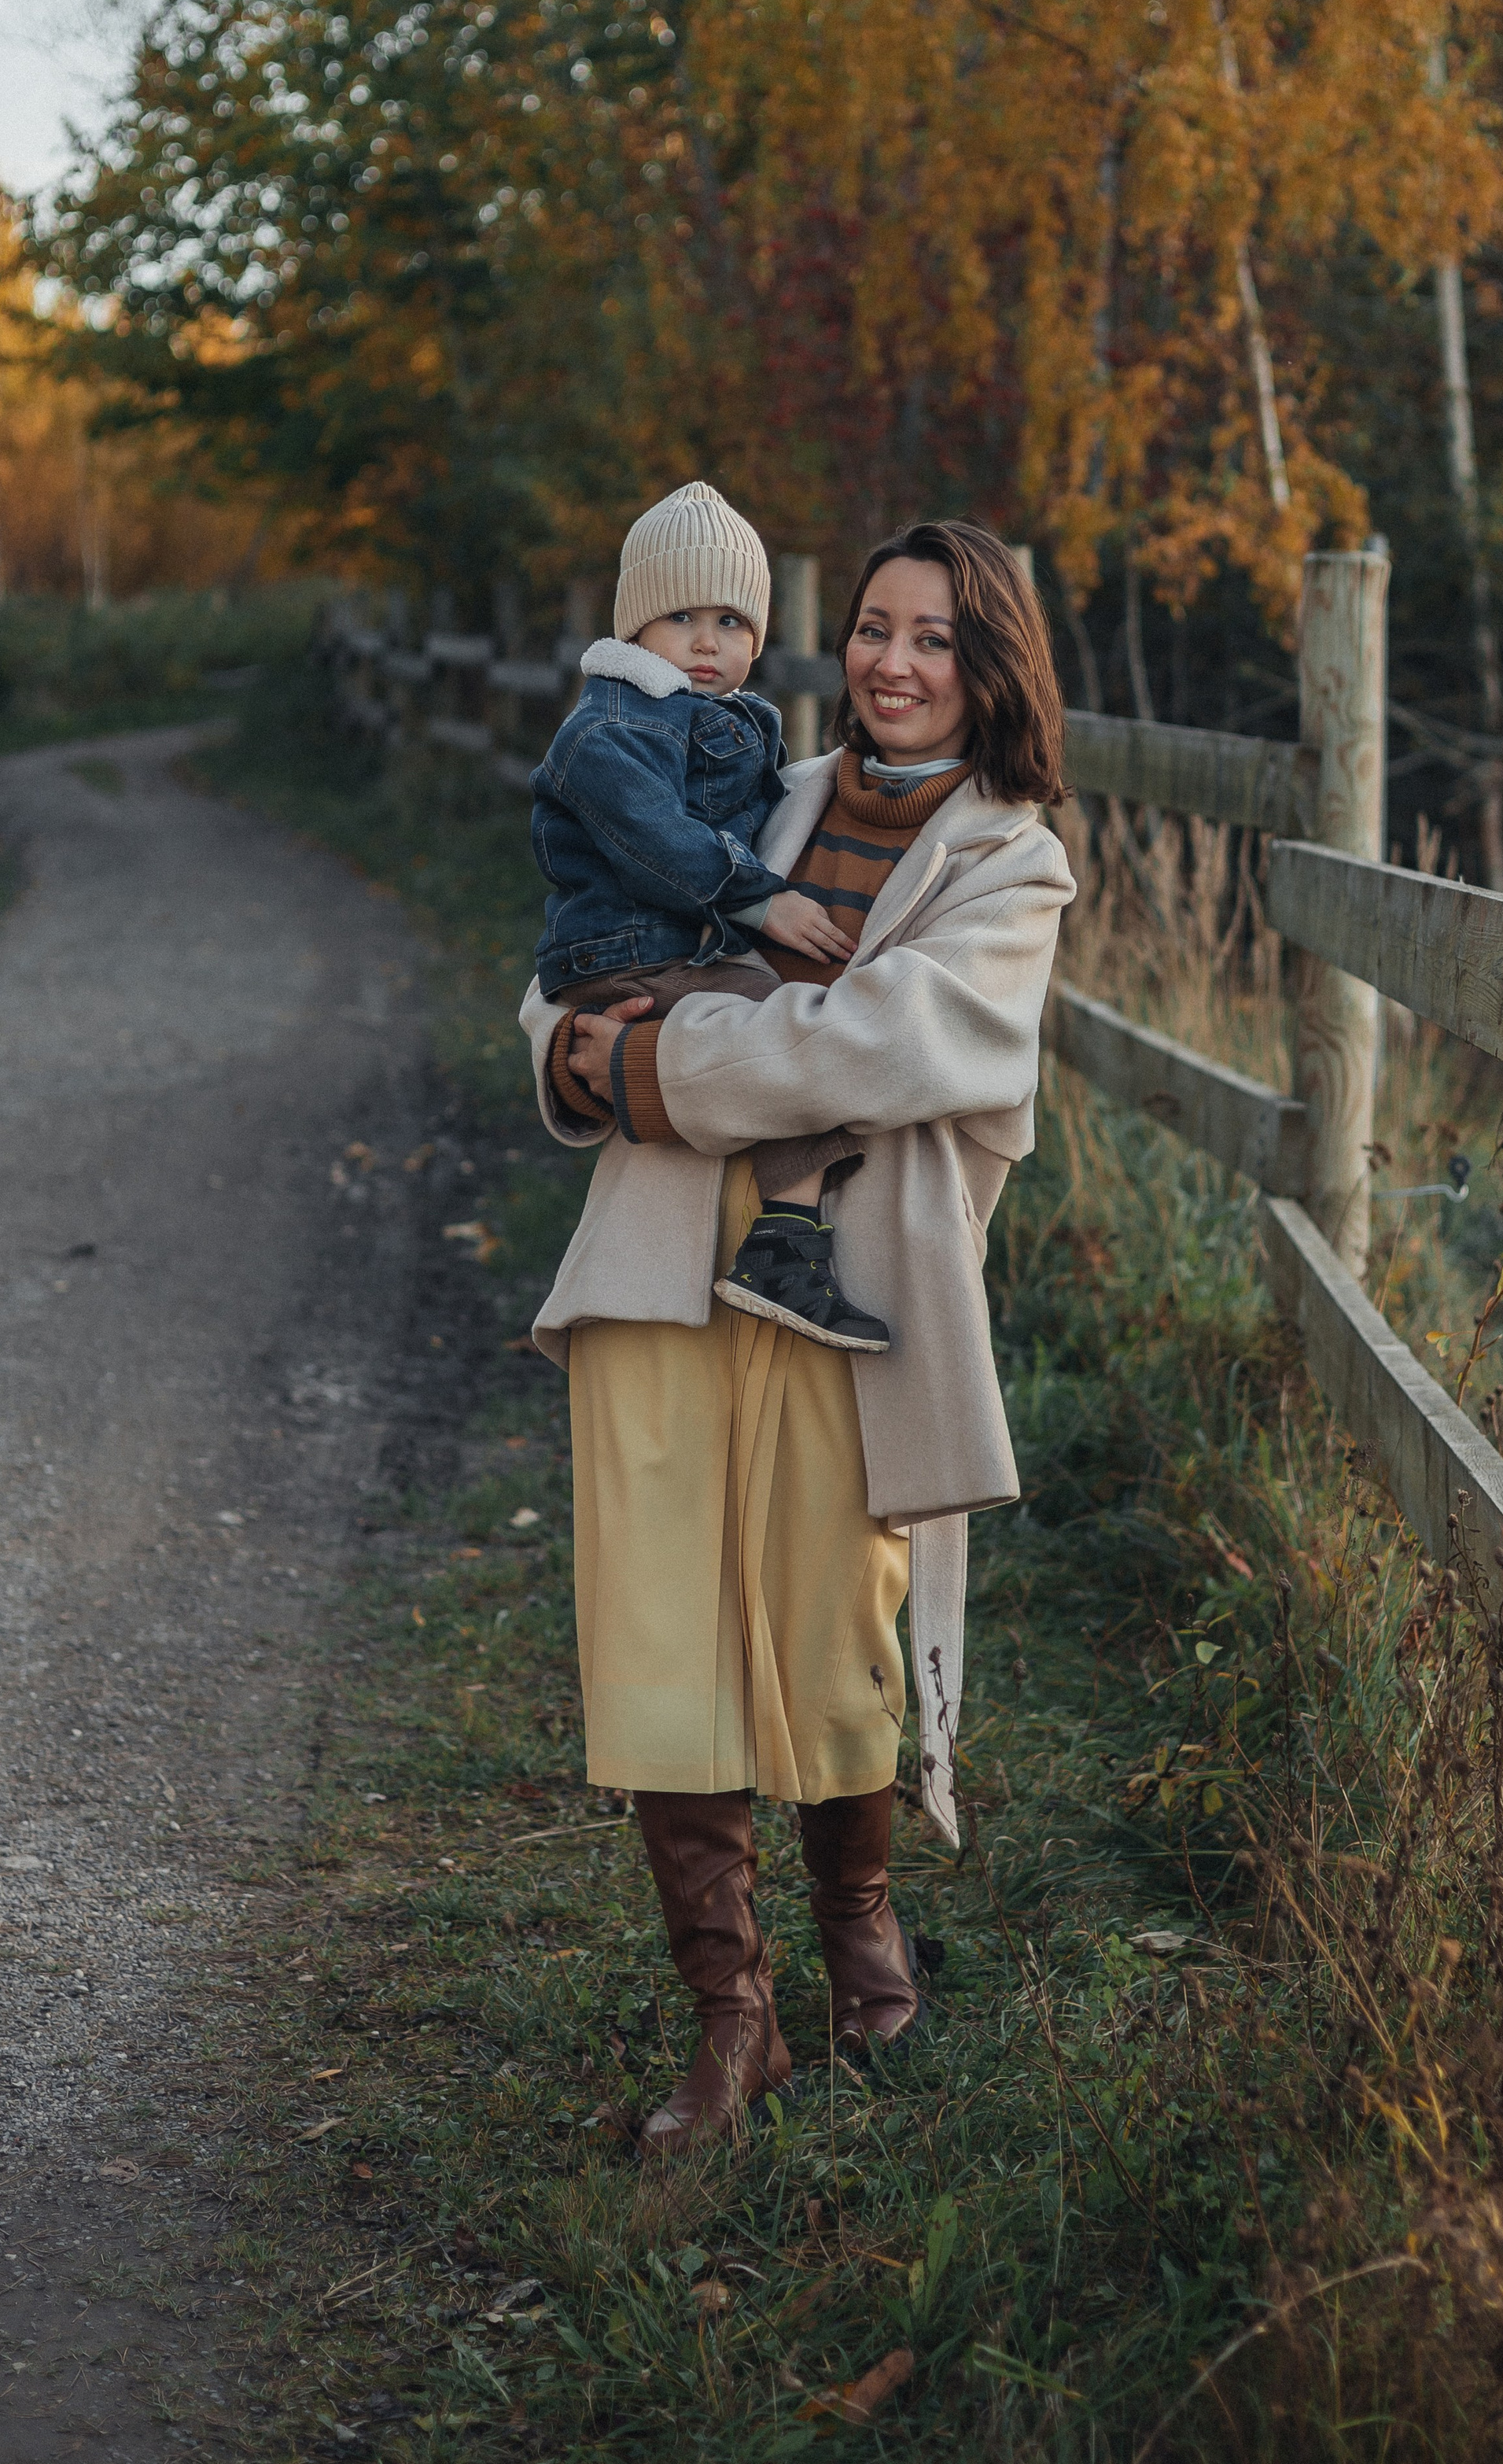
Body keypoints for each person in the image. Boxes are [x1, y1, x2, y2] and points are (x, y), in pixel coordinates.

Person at [520, 521, 1074, 2150]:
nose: (893, 664)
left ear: (990, 671)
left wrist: (644, 1066)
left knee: (835, 1617)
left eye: (936, 640)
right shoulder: (749, 780)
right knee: (657, 1621)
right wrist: (567, 1054)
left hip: (857, 1291)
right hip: (659, 1259)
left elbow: (876, 1047)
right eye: (874, 631)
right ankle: (732, 2015)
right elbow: (567, 966)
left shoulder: (1009, 862)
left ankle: (856, 1920)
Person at [532, 478, 890, 1351]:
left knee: (790, 1034)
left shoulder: (723, 720)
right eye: (682, 617)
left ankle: (784, 1234)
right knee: (791, 1037)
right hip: (635, 950)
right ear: (635, 625)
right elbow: (654, 839)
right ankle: (784, 1241)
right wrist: (758, 898)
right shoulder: (607, 728)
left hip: (671, 944)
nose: (707, 641)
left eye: (732, 623)